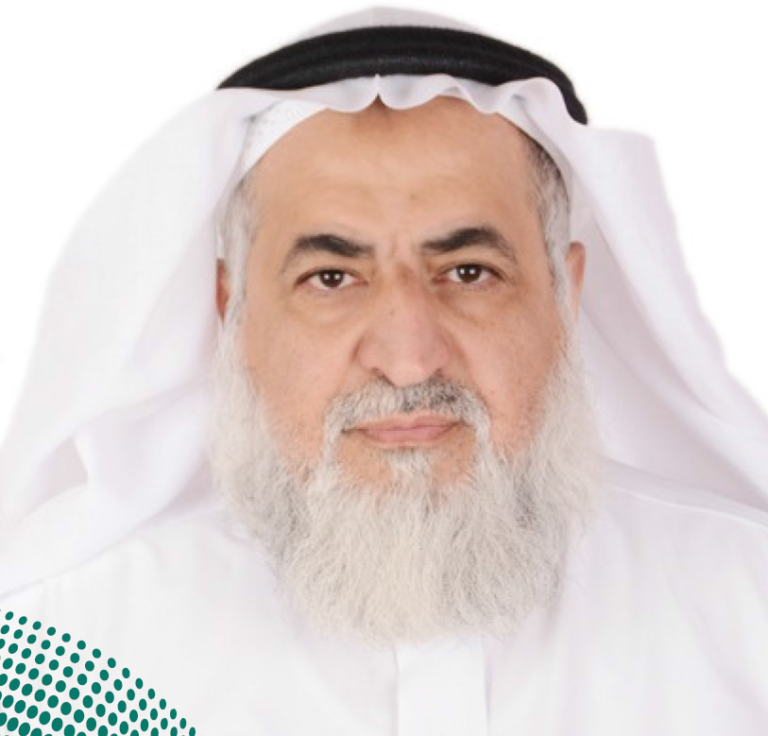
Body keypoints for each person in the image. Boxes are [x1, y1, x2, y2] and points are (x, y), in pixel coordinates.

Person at [1, 7, 767, 736]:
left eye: (469, 271)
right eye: (332, 278)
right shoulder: (64, 665)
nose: (408, 359)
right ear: (233, 314)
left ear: (566, 295)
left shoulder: (746, 617)